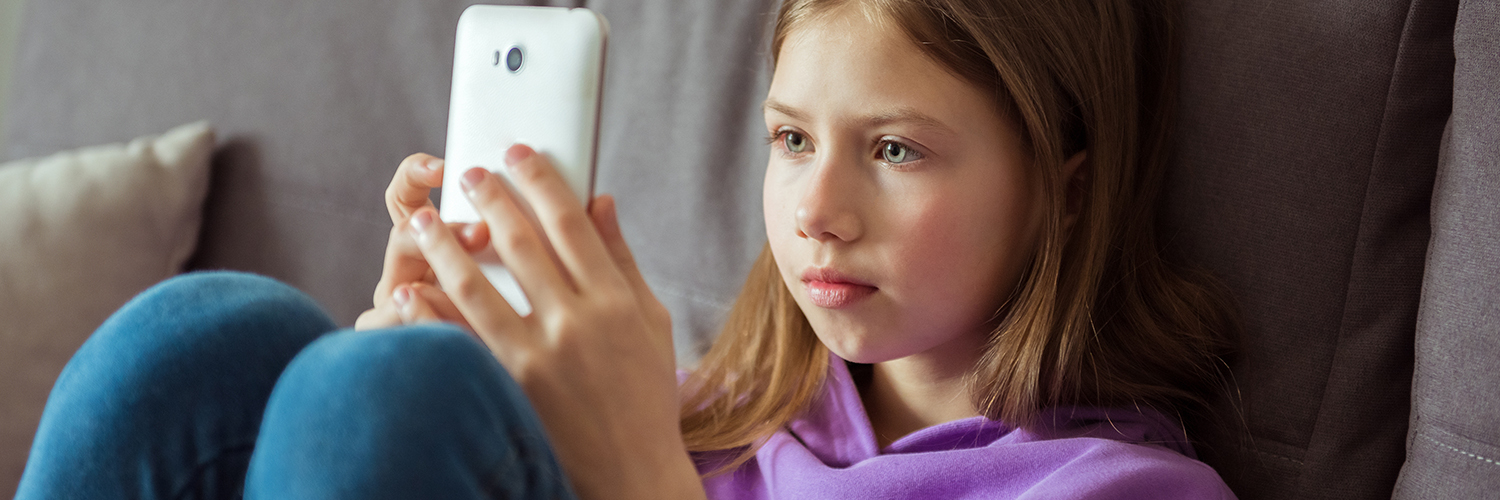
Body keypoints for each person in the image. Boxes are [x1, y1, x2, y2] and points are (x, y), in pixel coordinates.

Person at [15, 0, 1237, 498]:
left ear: (1065, 190)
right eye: (792, 138)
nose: (817, 208)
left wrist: (641, 470)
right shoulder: (725, 411)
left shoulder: (1115, 488)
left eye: (898, 149)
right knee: (209, 333)